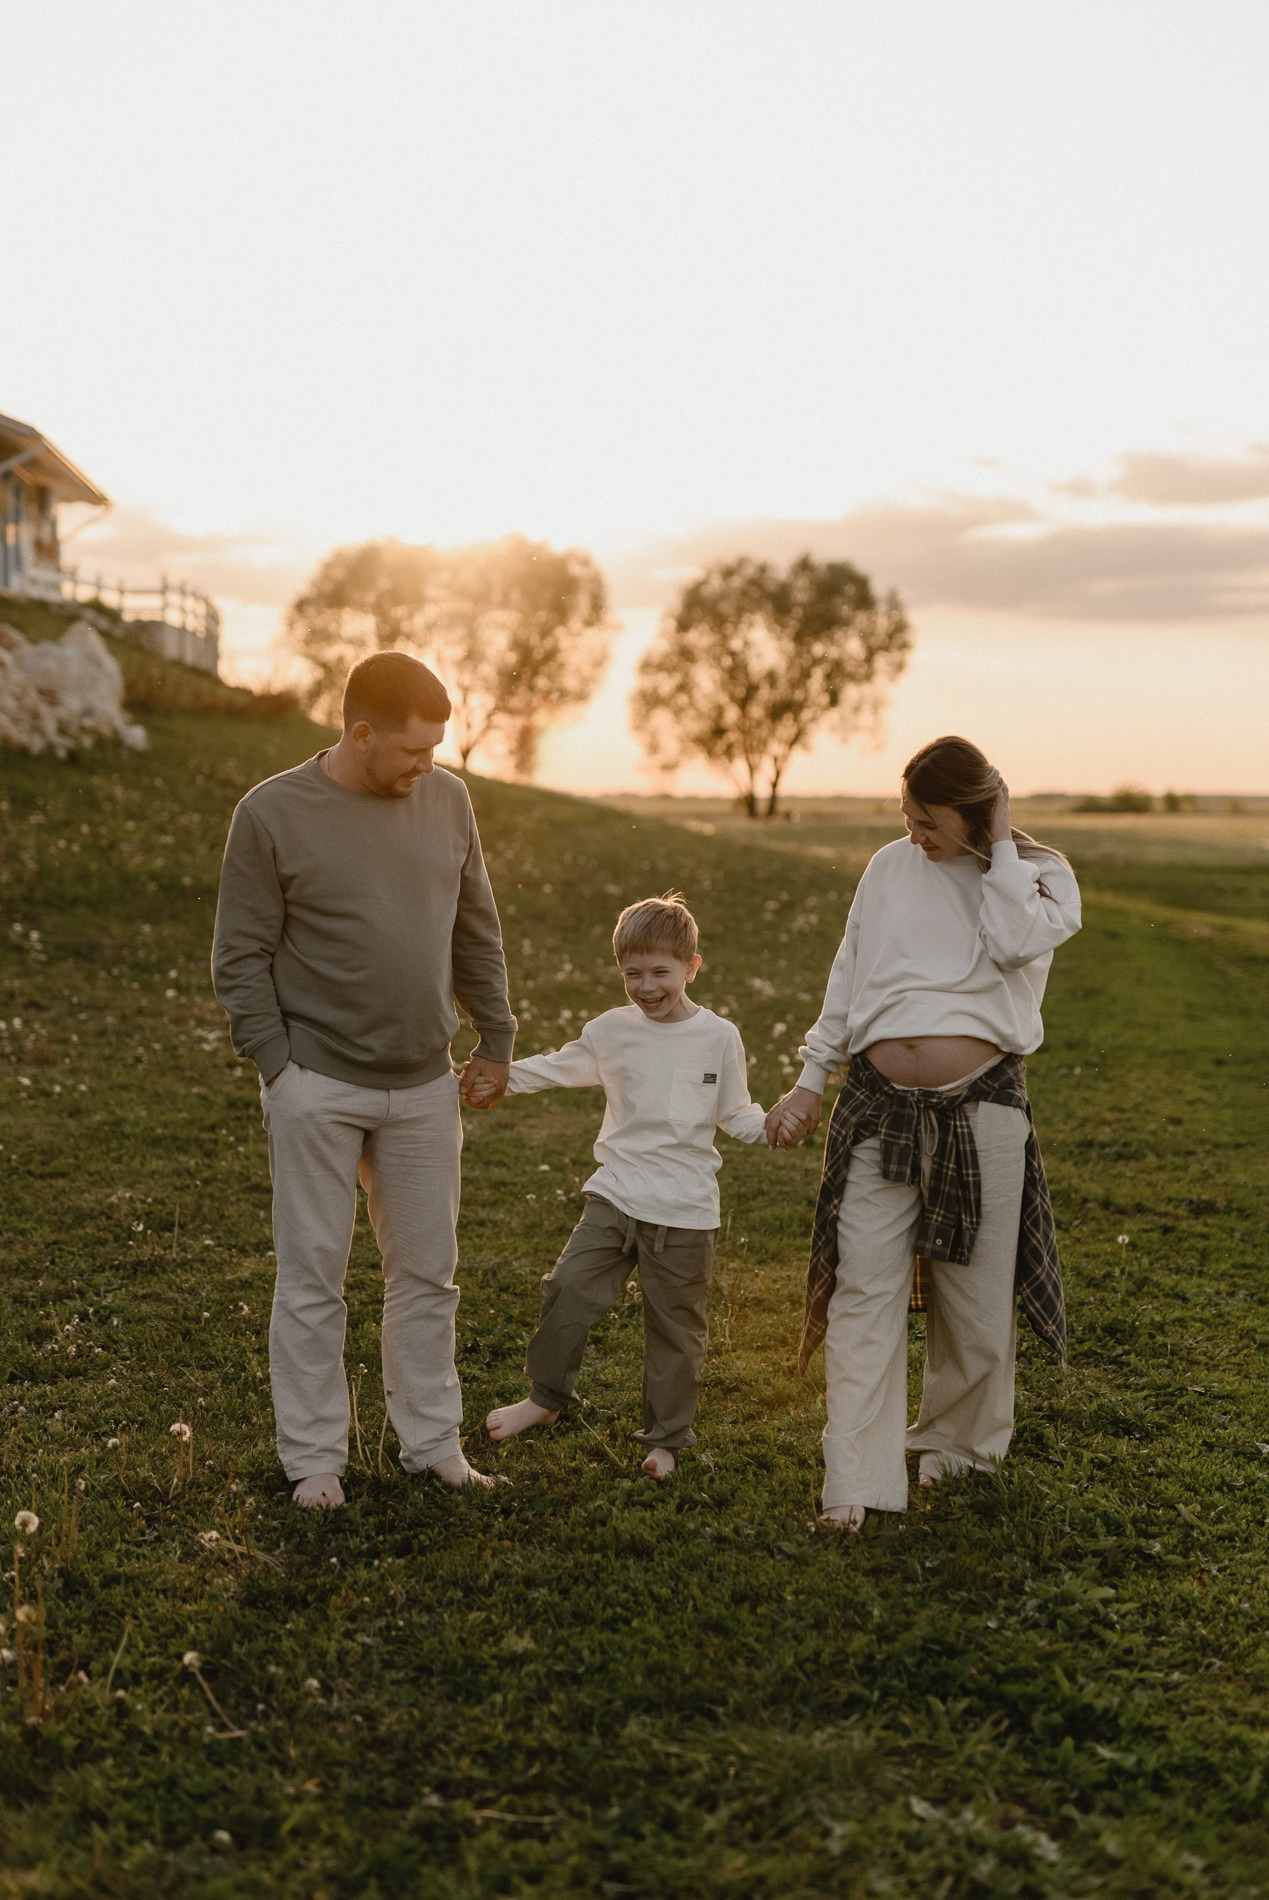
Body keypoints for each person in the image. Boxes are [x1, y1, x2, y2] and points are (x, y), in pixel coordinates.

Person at [211, 651, 516, 1508]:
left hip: (425, 1082)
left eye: (437, 748)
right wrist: (279, 1069)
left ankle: (432, 1447)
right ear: (360, 732)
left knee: (428, 1273)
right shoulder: (270, 813)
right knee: (312, 1276)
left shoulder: (449, 799)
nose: (430, 764)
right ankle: (315, 1462)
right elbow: (239, 955)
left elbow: (475, 926)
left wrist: (495, 1034)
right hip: (316, 1080)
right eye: (414, 750)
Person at [766, 736, 1080, 1532]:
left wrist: (999, 843)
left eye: (928, 820)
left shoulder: (1038, 878)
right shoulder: (886, 868)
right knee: (863, 1286)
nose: (915, 834)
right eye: (904, 818)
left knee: (972, 1298)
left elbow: (1011, 943)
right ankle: (855, 1475)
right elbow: (849, 973)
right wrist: (810, 1080)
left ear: (975, 810)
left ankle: (957, 1446)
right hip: (877, 1107)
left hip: (982, 1107)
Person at [472, 894, 769, 1480]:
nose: (646, 986)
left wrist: (773, 1125)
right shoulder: (611, 1031)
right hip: (616, 1194)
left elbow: (737, 1113)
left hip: (685, 1211)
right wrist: (496, 1076)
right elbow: (558, 1065)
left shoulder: (719, 1037)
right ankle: (546, 1398)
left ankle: (665, 1439)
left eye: (660, 972)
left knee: (675, 1332)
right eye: (633, 973)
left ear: (692, 967)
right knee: (568, 1287)